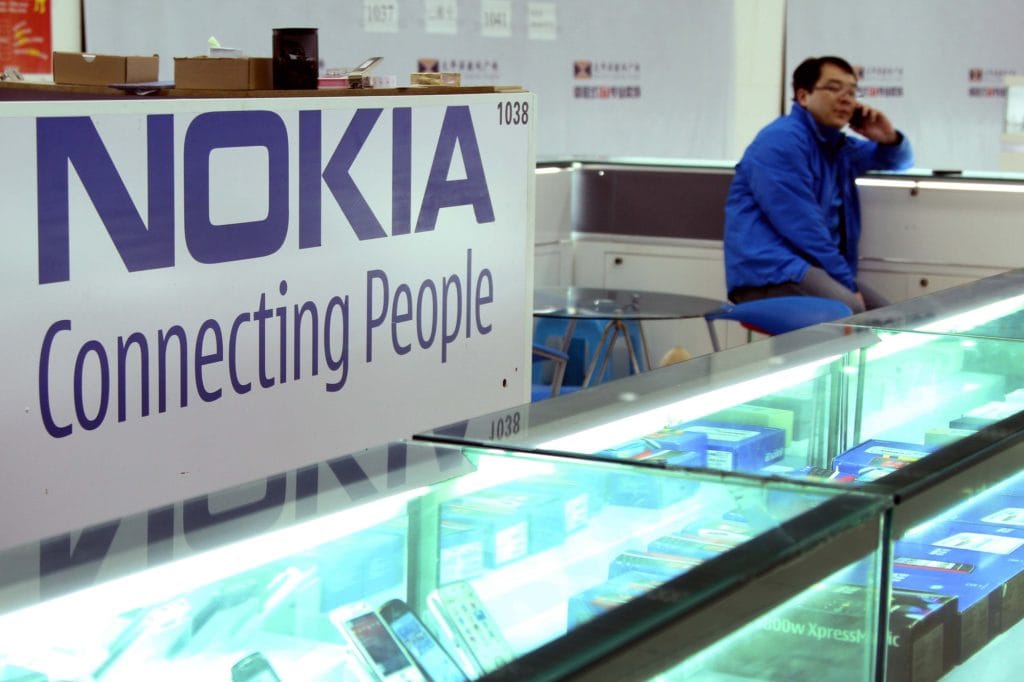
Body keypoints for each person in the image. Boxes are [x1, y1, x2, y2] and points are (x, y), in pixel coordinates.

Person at [723, 56, 914, 313]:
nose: (846, 99)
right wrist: (847, 283)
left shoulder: (836, 146)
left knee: (891, 318)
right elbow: (803, 227)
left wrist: (888, 137)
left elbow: (899, 161)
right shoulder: (781, 141)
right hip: (768, 271)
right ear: (803, 96)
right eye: (834, 88)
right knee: (851, 312)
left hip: (812, 267)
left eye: (852, 92)